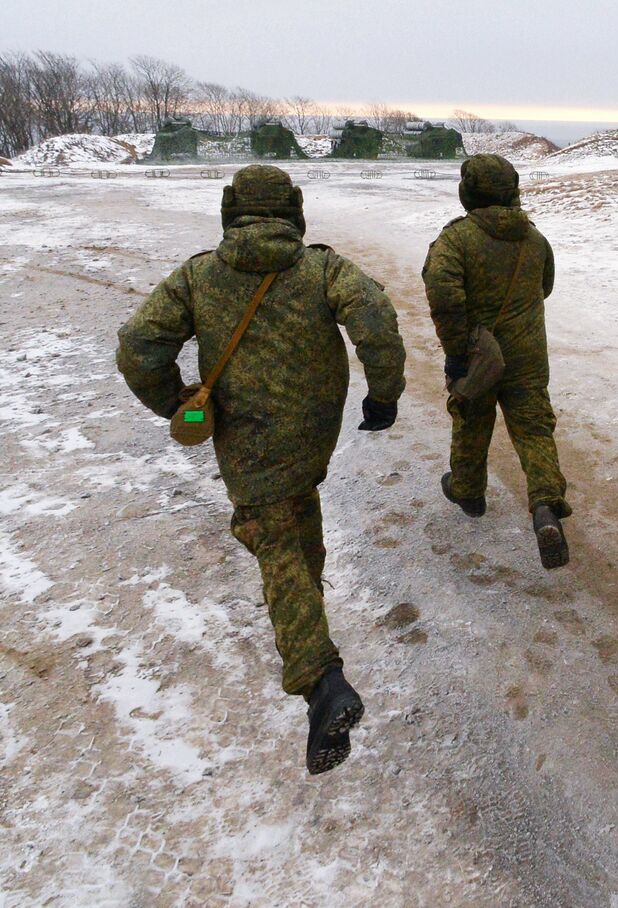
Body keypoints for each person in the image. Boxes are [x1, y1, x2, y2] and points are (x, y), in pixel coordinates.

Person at [116, 164, 407, 774]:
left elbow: (139, 346)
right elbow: (376, 319)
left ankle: (320, 680)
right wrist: (383, 394)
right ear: (294, 210)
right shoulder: (323, 269)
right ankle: (311, 616)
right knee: (295, 515)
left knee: (273, 539)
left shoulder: (198, 277)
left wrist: (175, 402)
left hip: (247, 442)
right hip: (312, 431)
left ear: (231, 210)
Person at [423, 154, 571, 569]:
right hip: (527, 356)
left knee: (471, 418)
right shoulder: (535, 239)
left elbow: (445, 299)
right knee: (534, 429)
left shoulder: (455, 240)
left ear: (468, 193)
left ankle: (468, 490)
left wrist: (457, 353)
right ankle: (545, 503)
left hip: (478, 355)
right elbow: (545, 287)